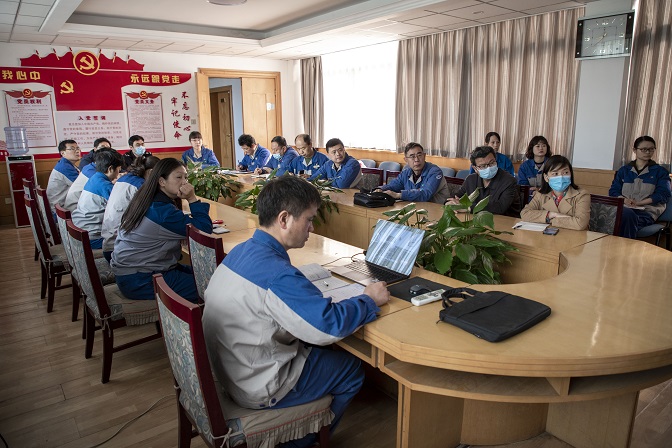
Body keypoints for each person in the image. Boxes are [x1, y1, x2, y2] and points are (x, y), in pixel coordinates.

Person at [202, 175, 390, 448]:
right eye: (309, 219)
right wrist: (369, 300)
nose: (312, 227)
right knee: (350, 369)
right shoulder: (278, 274)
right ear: (284, 219)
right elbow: (327, 326)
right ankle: (303, 440)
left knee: (318, 349)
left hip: (230, 370)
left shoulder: (242, 251)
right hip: (257, 384)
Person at [111, 158, 212, 302]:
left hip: (133, 273)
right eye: (179, 177)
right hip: (141, 280)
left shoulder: (147, 199)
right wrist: (192, 199)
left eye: (186, 177)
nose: (184, 182)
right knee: (212, 288)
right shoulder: (162, 212)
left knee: (210, 275)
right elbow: (203, 230)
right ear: (162, 181)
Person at [609, 136, 671, 238]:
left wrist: (639, 203)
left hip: (646, 212)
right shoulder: (624, 170)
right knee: (607, 218)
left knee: (621, 221)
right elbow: (613, 191)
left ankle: (623, 246)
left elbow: (664, 194)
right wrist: (625, 200)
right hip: (624, 208)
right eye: (643, 149)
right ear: (634, 150)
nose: (648, 152)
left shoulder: (660, 172)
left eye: (651, 149)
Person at [101, 154, 160, 262]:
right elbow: (157, 216)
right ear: (151, 172)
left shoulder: (125, 178)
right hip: (119, 251)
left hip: (110, 244)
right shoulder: (142, 186)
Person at [520, 155, 590, 230]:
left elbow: (580, 223)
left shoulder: (582, 195)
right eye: (555, 174)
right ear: (546, 177)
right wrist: (551, 215)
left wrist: (547, 219)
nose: (561, 177)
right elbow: (525, 214)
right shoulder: (541, 194)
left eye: (565, 172)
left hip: (575, 236)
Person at [447, 145, 520, 216]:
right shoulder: (471, 180)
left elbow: (500, 207)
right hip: (476, 219)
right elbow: (456, 196)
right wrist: (449, 203)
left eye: (492, 163)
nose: (488, 168)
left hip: (505, 221)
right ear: (475, 169)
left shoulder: (509, 181)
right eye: (483, 166)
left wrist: (468, 208)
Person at [72, 149, 124, 249]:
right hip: (93, 238)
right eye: (119, 169)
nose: (119, 173)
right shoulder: (105, 185)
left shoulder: (95, 178)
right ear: (110, 169)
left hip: (80, 231)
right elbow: (121, 206)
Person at [378, 142, 451, 203]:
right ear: (406, 160)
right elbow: (393, 186)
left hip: (437, 211)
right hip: (415, 209)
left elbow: (425, 194)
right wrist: (380, 189)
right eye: (412, 156)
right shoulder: (406, 172)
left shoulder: (435, 172)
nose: (416, 160)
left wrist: (399, 195)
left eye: (419, 155)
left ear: (424, 156)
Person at [63, 147, 116, 212]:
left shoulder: (89, 167)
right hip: (75, 208)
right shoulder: (93, 174)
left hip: (78, 208)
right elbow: (111, 193)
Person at [46, 140, 80, 218]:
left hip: (60, 208)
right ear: (63, 153)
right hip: (60, 212)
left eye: (77, 148)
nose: (77, 151)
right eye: (72, 149)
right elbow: (82, 186)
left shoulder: (66, 164)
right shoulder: (65, 167)